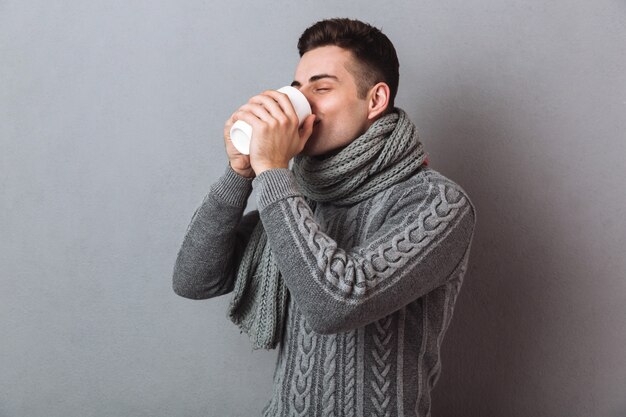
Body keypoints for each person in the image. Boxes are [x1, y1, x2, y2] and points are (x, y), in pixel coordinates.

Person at [172, 17, 476, 417]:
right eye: (297, 89)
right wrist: (240, 172)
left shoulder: (437, 203)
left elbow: (336, 305)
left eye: (322, 87)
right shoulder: (298, 197)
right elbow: (194, 279)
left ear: (375, 100)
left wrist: (273, 171)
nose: (302, 103)